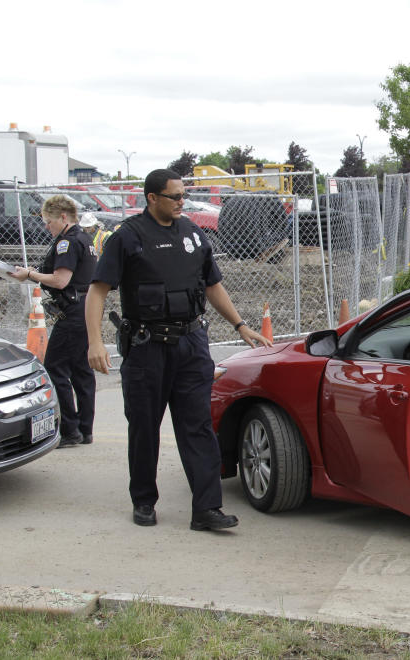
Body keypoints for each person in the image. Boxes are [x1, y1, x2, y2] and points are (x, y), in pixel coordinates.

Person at [85, 168, 272, 530]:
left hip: (190, 344)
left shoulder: (193, 234)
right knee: (144, 428)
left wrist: (240, 324)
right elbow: (98, 290)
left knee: (198, 426)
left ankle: (206, 509)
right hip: (146, 348)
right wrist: (94, 341)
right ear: (152, 198)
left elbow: (212, 285)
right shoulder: (127, 237)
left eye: (184, 196)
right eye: (175, 197)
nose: (182, 202)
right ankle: (143, 500)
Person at [11, 195, 97, 448]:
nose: (46, 227)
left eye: (49, 222)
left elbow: (60, 280)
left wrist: (29, 274)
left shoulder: (67, 243)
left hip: (72, 311)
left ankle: (70, 431)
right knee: (82, 371)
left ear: (63, 217)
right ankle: (85, 428)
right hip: (85, 308)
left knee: (56, 368)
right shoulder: (85, 238)